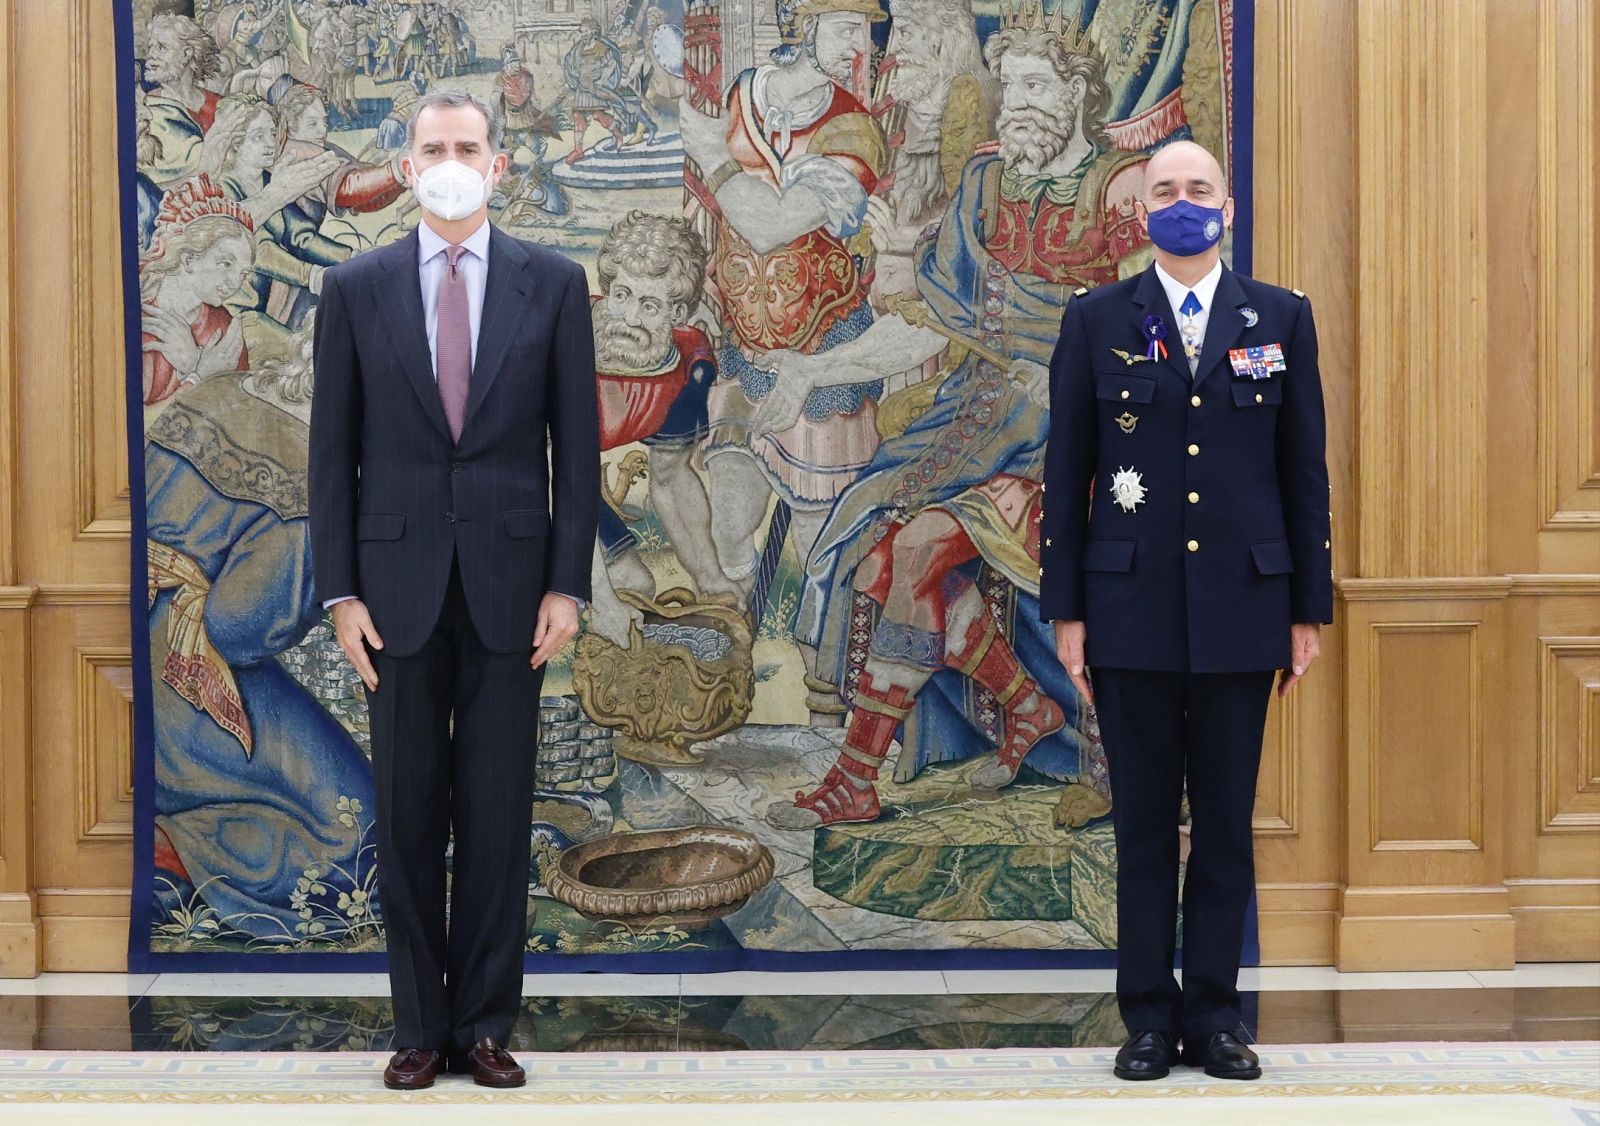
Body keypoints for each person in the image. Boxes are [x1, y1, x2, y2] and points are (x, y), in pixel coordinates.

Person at [767, 15, 1141, 830]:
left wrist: (1078, 379)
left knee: (916, 549)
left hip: (1070, 441)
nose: (1017, 106)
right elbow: (934, 317)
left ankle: (857, 778)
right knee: (871, 549)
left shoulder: (1123, 189)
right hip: (968, 416)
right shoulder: (984, 184)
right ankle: (1023, 709)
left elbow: (1159, 333)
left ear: (1077, 93)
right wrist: (816, 370)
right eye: (1011, 88)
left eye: (1037, 86)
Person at [309, 89, 600, 1092]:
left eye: (465, 146)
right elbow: (330, 455)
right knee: (405, 812)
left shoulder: (554, 284)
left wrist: (570, 583)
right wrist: (339, 592)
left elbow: (579, 450)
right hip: (390, 594)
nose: (449, 159)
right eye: (432, 146)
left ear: (498, 163)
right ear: (406, 162)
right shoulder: (354, 287)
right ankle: (417, 1028)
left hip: (514, 592)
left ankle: (482, 1023)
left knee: (494, 813)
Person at [1038, 140, 1333, 1083]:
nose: (1181, 202)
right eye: (1164, 190)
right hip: (1130, 609)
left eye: (1197, 189)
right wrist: (1069, 608)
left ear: (1228, 206)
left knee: (1223, 823)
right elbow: (1066, 471)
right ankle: (1148, 1020)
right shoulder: (1095, 320)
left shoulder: (1279, 317)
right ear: (1142, 211)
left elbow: (1303, 471)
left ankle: (1215, 1016)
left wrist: (1307, 609)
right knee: (1141, 826)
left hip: (1246, 607)